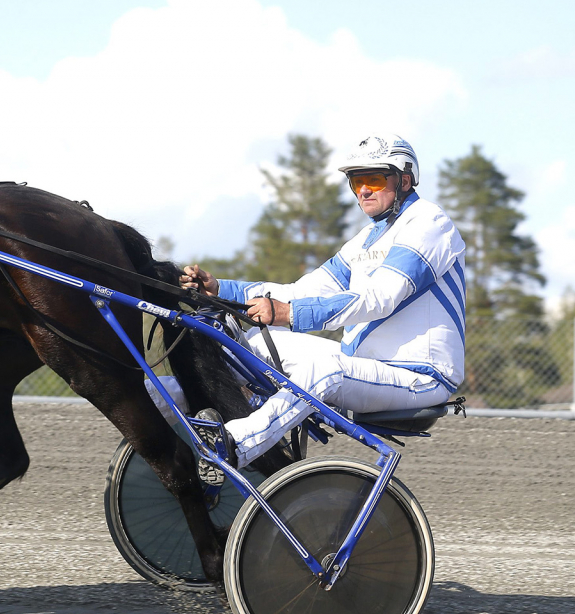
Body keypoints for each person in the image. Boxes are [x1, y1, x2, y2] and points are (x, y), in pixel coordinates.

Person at [180, 133, 466, 470]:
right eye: (357, 180)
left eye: (373, 178)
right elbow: (301, 291)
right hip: (365, 365)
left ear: (404, 179)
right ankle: (161, 403)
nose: (363, 190)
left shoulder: (430, 223)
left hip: (418, 379)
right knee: (250, 346)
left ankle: (234, 447)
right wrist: (220, 290)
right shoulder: (363, 242)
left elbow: (379, 298)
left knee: (321, 371)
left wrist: (290, 315)